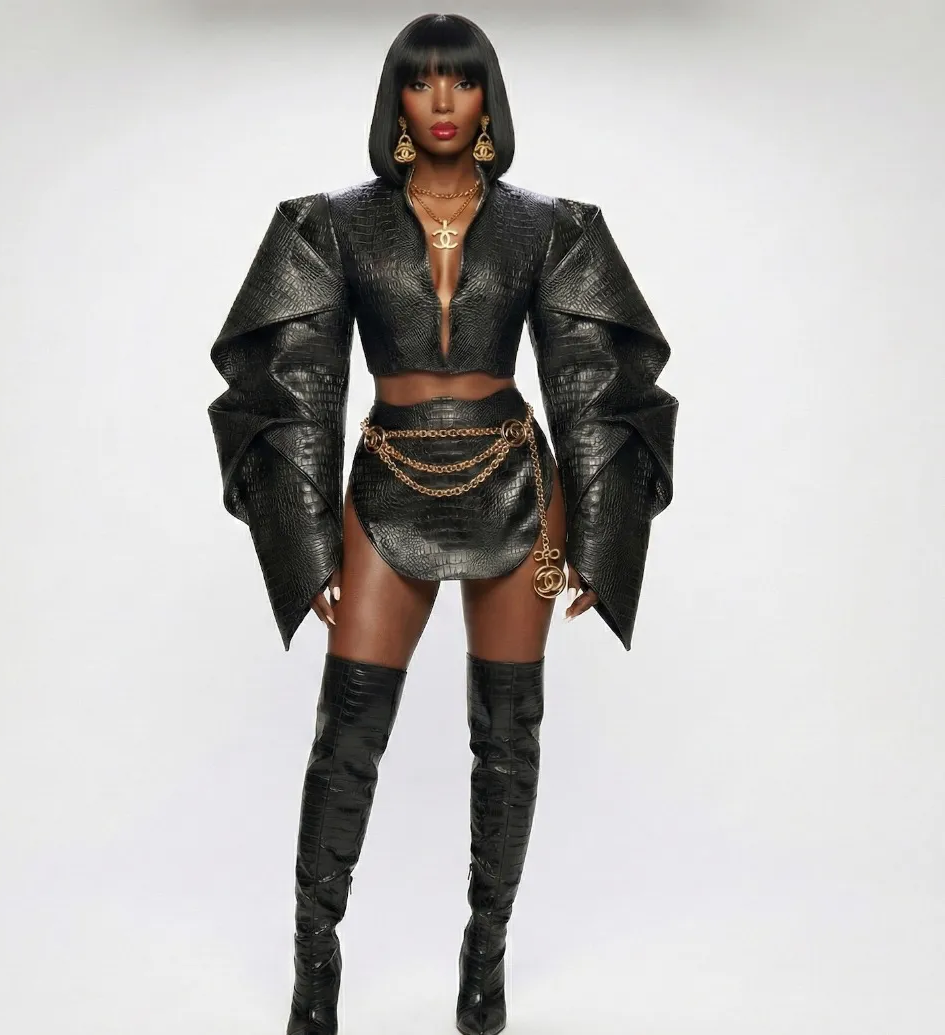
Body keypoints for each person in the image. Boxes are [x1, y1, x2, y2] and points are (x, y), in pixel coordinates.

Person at [206, 13, 678, 1035]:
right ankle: (314, 968)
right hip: (387, 481)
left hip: (519, 485)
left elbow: (592, 376)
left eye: (461, 82)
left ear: (487, 97)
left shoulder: (551, 226)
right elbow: (294, 379)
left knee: (508, 735)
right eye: (421, 83)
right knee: (347, 734)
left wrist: (598, 529)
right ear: (397, 102)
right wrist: (304, 536)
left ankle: (484, 961)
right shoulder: (329, 224)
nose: (443, 102)